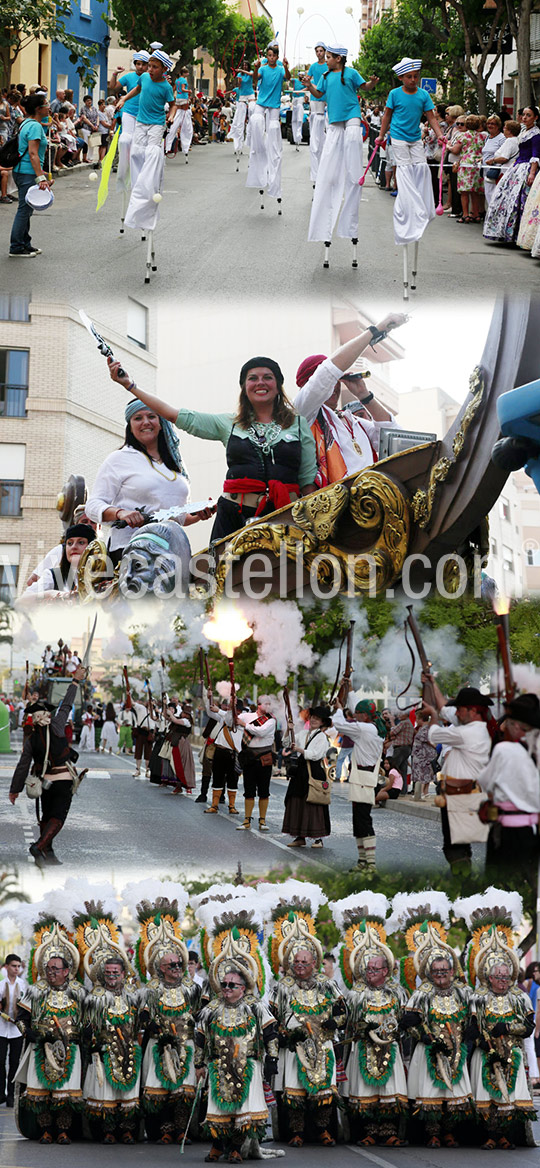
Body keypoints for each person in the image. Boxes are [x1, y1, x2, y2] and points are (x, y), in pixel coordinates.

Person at [107, 355, 318, 543]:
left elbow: (308, 482)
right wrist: (129, 385)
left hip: (285, 516)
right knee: (225, 583)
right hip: (234, 517)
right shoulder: (228, 423)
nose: (260, 382)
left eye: (267, 377)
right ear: (244, 387)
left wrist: (312, 526)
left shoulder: (298, 425)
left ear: (278, 384)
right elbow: (173, 415)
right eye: (252, 378)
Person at [194, 901, 278, 1163]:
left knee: (243, 1109)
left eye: (233, 985)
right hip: (218, 1065)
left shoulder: (255, 1007)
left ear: (244, 987)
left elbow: (271, 1032)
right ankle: (218, 1146)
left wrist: (272, 1061)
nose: (227, 988)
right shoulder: (212, 1009)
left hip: (249, 1064)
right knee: (218, 1107)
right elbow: (199, 1036)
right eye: (225, 984)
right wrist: (198, 1063)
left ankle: (235, 1148)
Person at [86, 394, 208, 567]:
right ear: (130, 426)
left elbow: (177, 517)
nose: (146, 422)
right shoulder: (119, 459)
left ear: (161, 423)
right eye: (138, 418)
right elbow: (92, 506)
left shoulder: (174, 463)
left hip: (173, 551)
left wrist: (198, 514)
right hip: (132, 551)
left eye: (151, 416)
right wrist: (121, 513)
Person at [294, 313, 405, 487]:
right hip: (332, 506)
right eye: (329, 381)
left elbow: (393, 437)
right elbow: (326, 375)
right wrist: (375, 330)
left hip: (372, 500)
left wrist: (364, 396)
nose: (333, 386)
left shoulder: (352, 421)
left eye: (337, 381)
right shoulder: (303, 412)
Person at [399, 904, 472, 1149]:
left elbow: (474, 1018)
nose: (440, 974)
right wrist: (426, 1037)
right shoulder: (422, 992)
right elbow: (408, 1021)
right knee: (430, 1094)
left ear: (452, 971)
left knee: (453, 1094)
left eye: (444, 970)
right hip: (428, 1050)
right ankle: (432, 1134)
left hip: (456, 1049)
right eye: (436, 970)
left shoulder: (464, 992)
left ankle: (449, 1133)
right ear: (429, 972)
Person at [270, 910, 346, 1147]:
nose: (300, 966)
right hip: (295, 1047)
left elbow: (343, 1011)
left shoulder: (327, 984)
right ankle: (296, 1132)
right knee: (295, 1093)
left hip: (323, 1044)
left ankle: (322, 1130)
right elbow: (271, 1017)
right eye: (297, 962)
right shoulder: (282, 986)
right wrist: (282, 1036)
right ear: (290, 963)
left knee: (323, 1091)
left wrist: (336, 1022)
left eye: (305, 962)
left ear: (315, 963)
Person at [337, 901, 408, 1147]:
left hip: (390, 1046)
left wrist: (389, 1029)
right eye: (367, 969)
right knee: (365, 1092)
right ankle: (368, 1131)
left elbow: (403, 1019)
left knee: (390, 1091)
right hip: (363, 1048)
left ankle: (389, 1131)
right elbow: (348, 1021)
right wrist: (363, 1028)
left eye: (375, 969)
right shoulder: (356, 993)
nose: (370, 973)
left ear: (386, 970)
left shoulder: (398, 992)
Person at [136, 889, 200, 1144]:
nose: (176, 969)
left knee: (183, 1092)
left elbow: (200, 1014)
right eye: (171, 965)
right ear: (159, 969)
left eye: (179, 965)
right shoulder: (150, 989)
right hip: (158, 1046)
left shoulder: (192, 988)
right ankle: (163, 1130)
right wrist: (152, 1027)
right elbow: (142, 1017)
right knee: (160, 1092)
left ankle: (181, 1131)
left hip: (186, 1044)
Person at [8, 663, 87, 865]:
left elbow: (23, 766)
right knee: (58, 817)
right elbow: (68, 704)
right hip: (63, 780)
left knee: (46, 816)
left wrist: (14, 790)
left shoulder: (32, 739)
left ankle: (48, 854)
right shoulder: (58, 725)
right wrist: (76, 680)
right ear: (47, 715)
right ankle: (38, 847)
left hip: (44, 782)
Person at [14, 922, 85, 1144]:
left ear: (66, 971)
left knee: (65, 1094)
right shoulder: (35, 991)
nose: (51, 972)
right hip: (41, 1050)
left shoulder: (78, 992)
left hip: (69, 1049)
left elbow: (89, 1021)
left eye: (56, 969)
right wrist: (29, 1034)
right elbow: (20, 1019)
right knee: (41, 1094)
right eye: (48, 968)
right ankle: (45, 1130)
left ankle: (63, 1130)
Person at [303, 46, 379, 250]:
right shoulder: (326, 76)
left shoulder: (352, 73)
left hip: (352, 116)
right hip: (335, 121)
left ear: (338, 58)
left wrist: (372, 83)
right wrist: (309, 85)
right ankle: (332, 176)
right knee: (330, 152)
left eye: (328, 57)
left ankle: (353, 172)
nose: (325, 60)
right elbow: (319, 94)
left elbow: (365, 88)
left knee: (353, 138)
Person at [469, 928, 536, 1148]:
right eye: (499, 977)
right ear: (489, 977)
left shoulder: (519, 996)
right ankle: (490, 1135)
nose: (503, 981)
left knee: (510, 1096)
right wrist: (487, 1043)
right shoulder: (478, 997)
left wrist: (506, 1027)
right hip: (486, 1053)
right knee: (487, 1095)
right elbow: (471, 1028)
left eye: (506, 977)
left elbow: (528, 1027)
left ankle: (506, 1135)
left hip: (513, 1052)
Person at [423, 681, 493, 876]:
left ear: (471, 711)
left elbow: (433, 735)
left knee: (455, 847)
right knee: (459, 845)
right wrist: (432, 682)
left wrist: (433, 716)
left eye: (460, 709)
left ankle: (464, 887)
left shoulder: (467, 732)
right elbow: (446, 709)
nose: (457, 713)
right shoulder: (475, 726)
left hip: (461, 796)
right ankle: (464, 887)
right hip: (462, 795)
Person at [375, 58, 445, 247]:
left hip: (415, 137)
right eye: (409, 77)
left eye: (416, 76)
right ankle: (407, 202)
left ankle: (421, 203)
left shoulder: (423, 95)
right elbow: (387, 116)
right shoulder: (394, 94)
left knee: (421, 168)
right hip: (397, 136)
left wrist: (440, 135)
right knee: (404, 169)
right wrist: (381, 135)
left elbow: (431, 117)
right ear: (401, 78)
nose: (413, 80)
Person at [82, 938, 141, 1144]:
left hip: (129, 1050)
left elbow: (142, 1019)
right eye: (108, 973)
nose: (112, 976)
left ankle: (127, 1131)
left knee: (127, 1094)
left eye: (116, 972)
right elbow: (88, 1024)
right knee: (106, 1092)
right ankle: (108, 1131)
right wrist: (93, 1043)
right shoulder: (95, 996)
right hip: (105, 1049)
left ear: (124, 974)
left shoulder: (134, 995)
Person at [476, 692, 540, 876]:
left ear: (517, 725)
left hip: (508, 831)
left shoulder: (504, 749)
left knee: (500, 890)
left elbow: (485, 781)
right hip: (533, 830)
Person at [116, 49, 177, 232]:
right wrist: (124, 99)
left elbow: (173, 104)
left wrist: (172, 117)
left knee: (151, 152)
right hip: (141, 122)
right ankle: (137, 183)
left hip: (156, 124)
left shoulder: (166, 87)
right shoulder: (143, 78)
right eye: (149, 66)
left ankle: (149, 182)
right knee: (135, 152)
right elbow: (137, 89)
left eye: (154, 67)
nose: (149, 70)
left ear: (164, 69)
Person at [332, 698, 384, 872]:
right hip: (363, 776)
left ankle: (371, 863)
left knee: (363, 820)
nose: (355, 716)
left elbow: (338, 724)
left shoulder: (365, 728)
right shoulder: (372, 726)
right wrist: (349, 688)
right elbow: (356, 710)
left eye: (358, 714)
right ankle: (363, 861)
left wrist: (339, 709)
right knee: (358, 820)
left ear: (364, 715)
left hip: (363, 777)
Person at [483, 106, 540, 243]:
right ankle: (506, 232)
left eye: (529, 115)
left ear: (535, 118)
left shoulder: (536, 134)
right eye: (523, 115)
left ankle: (516, 234)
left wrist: (532, 174)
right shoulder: (523, 132)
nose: (524, 118)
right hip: (517, 168)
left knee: (519, 202)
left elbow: (535, 155)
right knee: (505, 199)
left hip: (526, 168)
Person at [281, 704, 332, 849]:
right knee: (297, 801)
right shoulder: (303, 733)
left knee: (314, 802)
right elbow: (285, 743)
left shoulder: (322, 737)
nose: (314, 720)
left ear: (322, 722)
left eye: (318, 719)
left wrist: (299, 750)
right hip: (300, 771)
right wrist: (289, 729)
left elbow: (315, 755)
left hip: (314, 771)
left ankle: (318, 839)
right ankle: (300, 837)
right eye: (313, 717)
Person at [246, 43, 291, 208]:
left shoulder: (280, 69)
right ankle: (258, 146)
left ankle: (270, 148)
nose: (271, 58)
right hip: (262, 102)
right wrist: (256, 68)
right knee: (256, 120)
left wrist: (286, 66)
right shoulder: (263, 68)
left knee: (273, 128)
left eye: (274, 56)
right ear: (267, 56)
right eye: (269, 55)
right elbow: (254, 79)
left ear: (277, 57)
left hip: (274, 105)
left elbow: (288, 77)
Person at [9, 92, 53, 258]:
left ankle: (25, 243)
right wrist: (40, 177)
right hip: (27, 172)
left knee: (27, 209)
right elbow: (33, 154)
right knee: (24, 210)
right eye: (46, 104)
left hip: (22, 171)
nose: (49, 107)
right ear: (38, 108)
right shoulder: (34, 126)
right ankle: (16, 247)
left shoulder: (26, 123)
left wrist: (43, 175)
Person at [110, 51, 150, 194]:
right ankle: (122, 175)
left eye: (143, 64)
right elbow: (113, 87)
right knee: (125, 140)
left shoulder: (150, 78)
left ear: (147, 66)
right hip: (128, 112)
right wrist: (115, 74)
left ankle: (138, 178)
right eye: (138, 64)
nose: (140, 67)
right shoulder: (129, 76)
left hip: (143, 115)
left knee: (138, 148)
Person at [236, 699, 276, 832]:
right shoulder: (247, 716)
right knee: (249, 791)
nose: (269, 706)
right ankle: (247, 820)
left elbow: (261, 731)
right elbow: (231, 720)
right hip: (249, 758)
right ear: (259, 705)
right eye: (266, 703)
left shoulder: (271, 720)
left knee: (264, 791)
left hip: (265, 758)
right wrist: (231, 705)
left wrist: (244, 724)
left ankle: (262, 821)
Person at [202, 689, 244, 816]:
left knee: (232, 780)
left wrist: (224, 709)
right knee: (217, 778)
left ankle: (232, 806)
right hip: (220, 751)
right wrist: (209, 698)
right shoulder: (225, 717)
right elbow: (210, 712)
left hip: (232, 753)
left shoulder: (240, 719)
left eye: (235, 708)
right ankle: (214, 805)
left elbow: (232, 720)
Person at [25, 523, 95, 596]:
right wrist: (53, 594)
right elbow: (23, 600)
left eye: (81, 542)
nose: (74, 547)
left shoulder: (102, 575)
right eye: (70, 543)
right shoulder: (52, 576)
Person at [0, 954, 25, 1108]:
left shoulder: (23, 985)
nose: (16, 969)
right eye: (14, 966)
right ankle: (1, 1093)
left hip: (16, 1029)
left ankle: (11, 1095)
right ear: (7, 966)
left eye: (18, 966)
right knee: (0, 1061)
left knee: (15, 1062)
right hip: (2, 1028)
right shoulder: (1, 985)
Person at [307, 41, 328, 182]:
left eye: (321, 50)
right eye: (317, 51)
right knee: (314, 129)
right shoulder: (313, 67)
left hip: (327, 99)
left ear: (325, 52)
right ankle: (315, 155)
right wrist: (307, 82)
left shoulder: (329, 65)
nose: (319, 53)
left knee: (326, 129)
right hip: (315, 99)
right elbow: (308, 79)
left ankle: (325, 157)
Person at [165, 68, 193, 159]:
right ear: (184, 73)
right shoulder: (183, 80)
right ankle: (186, 146)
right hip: (184, 99)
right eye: (187, 72)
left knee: (177, 120)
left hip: (178, 98)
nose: (188, 74)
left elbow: (175, 89)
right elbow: (182, 89)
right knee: (186, 125)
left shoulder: (177, 80)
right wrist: (189, 91)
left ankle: (168, 146)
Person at [228, 63, 255, 157]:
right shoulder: (240, 75)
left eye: (246, 65)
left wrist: (241, 71)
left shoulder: (250, 72)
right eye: (243, 66)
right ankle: (238, 145)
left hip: (250, 94)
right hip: (243, 96)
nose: (244, 67)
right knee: (239, 122)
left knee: (252, 109)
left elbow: (252, 75)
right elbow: (239, 86)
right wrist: (238, 80)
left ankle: (251, 134)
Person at [410, 708, 437, 798]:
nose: (416, 721)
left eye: (417, 719)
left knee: (421, 774)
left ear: (421, 719)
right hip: (425, 754)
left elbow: (428, 740)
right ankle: (425, 792)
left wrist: (435, 747)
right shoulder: (428, 728)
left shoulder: (425, 729)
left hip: (422, 755)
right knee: (426, 773)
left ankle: (420, 792)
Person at [384, 710, 414, 789]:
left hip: (400, 748)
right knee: (403, 770)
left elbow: (392, 732)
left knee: (394, 767)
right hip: (406, 748)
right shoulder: (409, 723)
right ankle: (403, 790)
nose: (399, 715)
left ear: (406, 715)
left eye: (401, 714)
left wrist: (392, 721)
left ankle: (392, 787)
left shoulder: (403, 723)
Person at [481, 114, 506, 207]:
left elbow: (504, 154)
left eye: (493, 124)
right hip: (485, 170)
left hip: (495, 170)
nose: (490, 126)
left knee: (494, 194)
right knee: (487, 193)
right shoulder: (488, 137)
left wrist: (493, 160)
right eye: (488, 123)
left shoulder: (502, 138)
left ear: (498, 125)